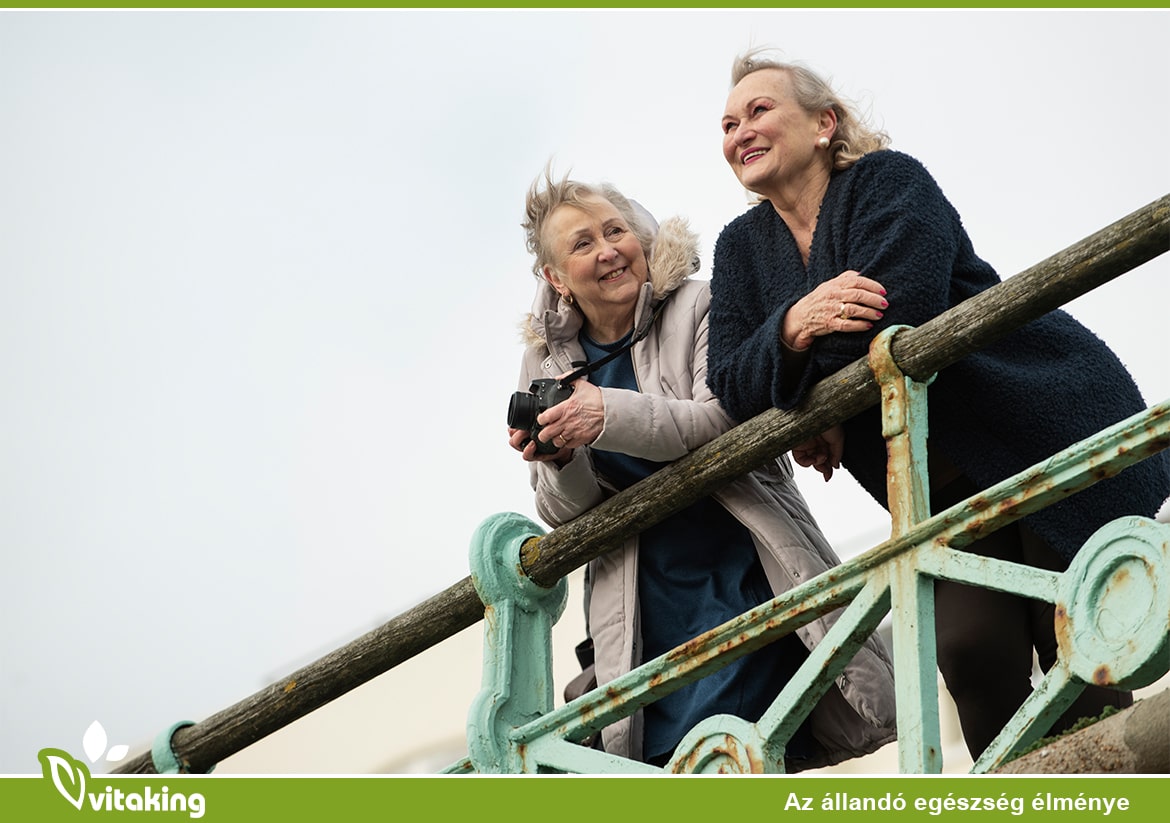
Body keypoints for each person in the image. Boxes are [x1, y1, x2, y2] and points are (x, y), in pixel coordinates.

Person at [705, 48, 1170, 761]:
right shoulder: (741, 248)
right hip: (942, 487)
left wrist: (797, 386)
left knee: (1080, 645)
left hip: (1041, 421)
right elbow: (730, 384)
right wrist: (796, 326)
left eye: (760, 111)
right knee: (969, 651)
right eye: (728, 123)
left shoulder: (891, 181)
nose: (740, 132)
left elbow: (899, 310)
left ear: (825, 122)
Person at [507, 168, 897, 770]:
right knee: (667, 768)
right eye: (582, 244)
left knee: (740, 753)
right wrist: (560, 458)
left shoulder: (701, 302)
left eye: (616, 231)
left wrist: (603, 412)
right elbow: (562, 511)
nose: (608, 251)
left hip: (740, 576)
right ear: (557, 278)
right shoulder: (546, 359)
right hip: (637, 612)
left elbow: (721, 418)